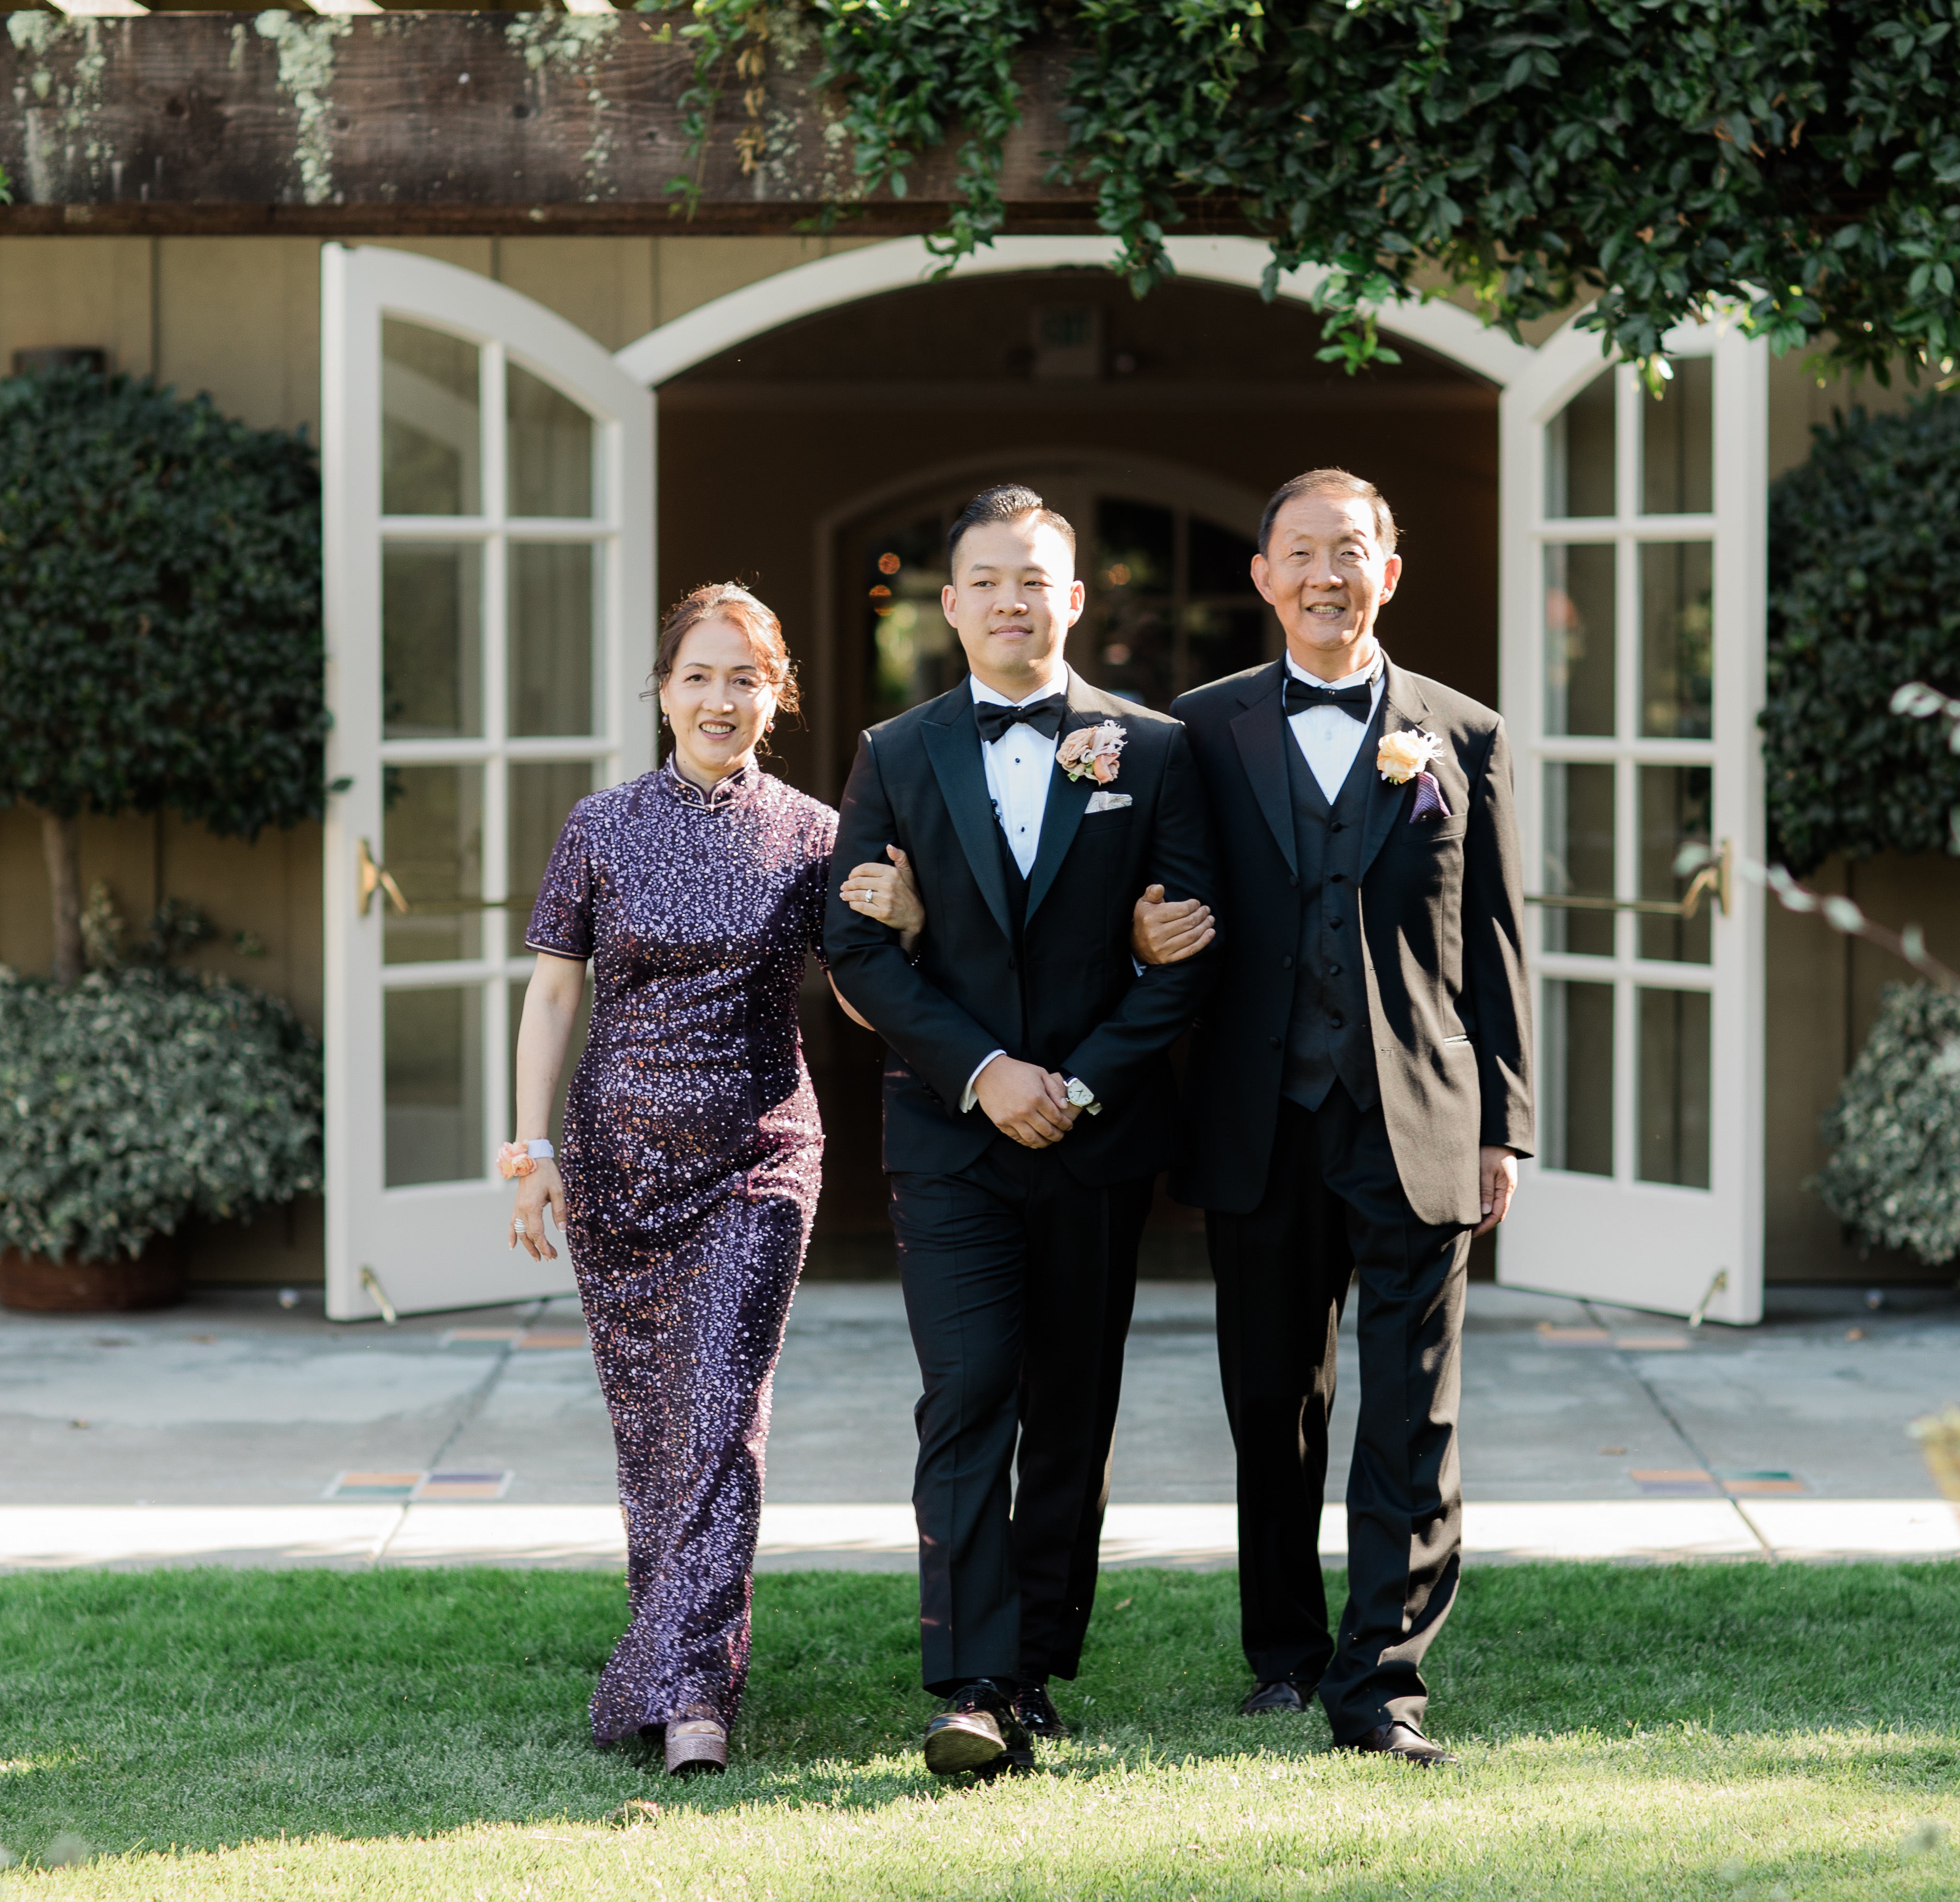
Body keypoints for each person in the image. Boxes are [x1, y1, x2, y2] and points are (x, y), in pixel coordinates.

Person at [824, 484, 1221, 1779]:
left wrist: (1080, 1085)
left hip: (1097, 1139)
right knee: (969, 1394)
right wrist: (987, 1072)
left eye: (1034, 580)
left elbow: (1186, 950)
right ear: (949, 606)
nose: (1011, 601)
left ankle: (1038, 1662)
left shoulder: (1152, 751)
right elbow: (856, 951)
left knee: (1073, 1408)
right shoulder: (893, 752)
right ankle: (972, 1684)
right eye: (986, 581)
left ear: (1074, 600)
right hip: (948, 1140)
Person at [506, 582, 929, 1776]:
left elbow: (858, 994)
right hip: (618, 1167)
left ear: (776, 696)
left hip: (759, 1158)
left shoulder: (809, 831)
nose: (720, 698)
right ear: (663, 689)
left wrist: (903, 922)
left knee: (720, 1416)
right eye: (699, 674)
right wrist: (531, 1149)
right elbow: (553, 994)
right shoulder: (599, 824)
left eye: (745, 678)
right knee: (657, 1433)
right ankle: (677, 1652)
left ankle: (694, 1695)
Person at [1149, 467, 1534, 1766]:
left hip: (1419, 1117)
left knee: (1413, 1413)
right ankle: (1284, 1656)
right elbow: (1159, 898)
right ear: (1262, 577)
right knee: (1273, 1402)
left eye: (1352, 550)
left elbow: (1497, 944)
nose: (1327, 574)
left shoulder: (1463, 733)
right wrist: (1144, 930)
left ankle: (1384, 1686)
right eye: (1301, 552)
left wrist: (1505, 1124)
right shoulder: (1193, 731)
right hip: (1257, 1117)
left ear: (1391, 570)